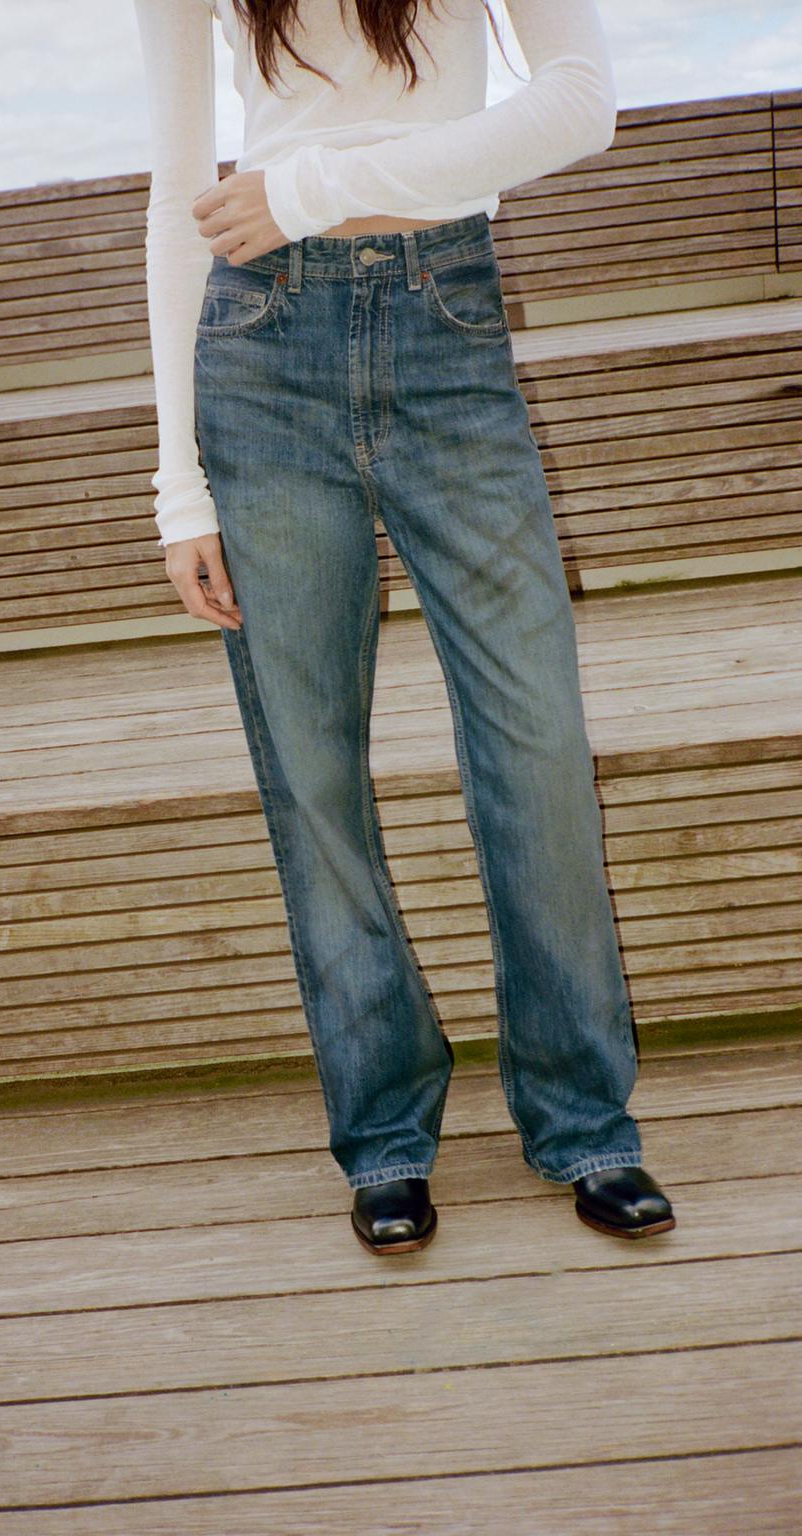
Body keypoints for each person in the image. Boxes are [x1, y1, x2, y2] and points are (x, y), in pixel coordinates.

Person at [132, 0, 676, 1254]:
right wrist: (178, 485)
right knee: (310, 766)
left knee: (535, 742)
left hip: (446, 319)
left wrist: (313, 186)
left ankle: (583, 1120)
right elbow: (178, 201)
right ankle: (382, 1135)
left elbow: (578, 102)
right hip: (259, 350)